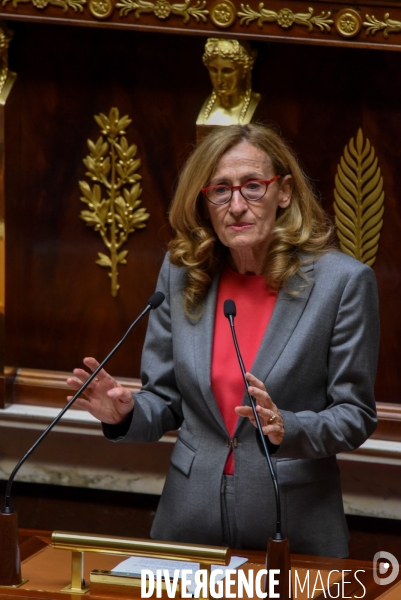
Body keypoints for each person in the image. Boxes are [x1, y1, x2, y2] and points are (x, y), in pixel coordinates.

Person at [68, 124, 379, 558]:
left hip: (293, 524)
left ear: (284, 192)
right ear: (204, 201)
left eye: (253, 187)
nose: (236, 206)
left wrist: (289, 426)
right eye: (220, 190)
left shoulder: (342, 284)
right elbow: (166, 399)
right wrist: (125, 413)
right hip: (188, 523)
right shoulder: (182, 273)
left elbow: (355, 414)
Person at [196, 38, 261, 126]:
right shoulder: (206, 107)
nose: (219, 80)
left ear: (244, 71)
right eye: (213, 70)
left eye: (227, 71)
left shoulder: (256, 103)